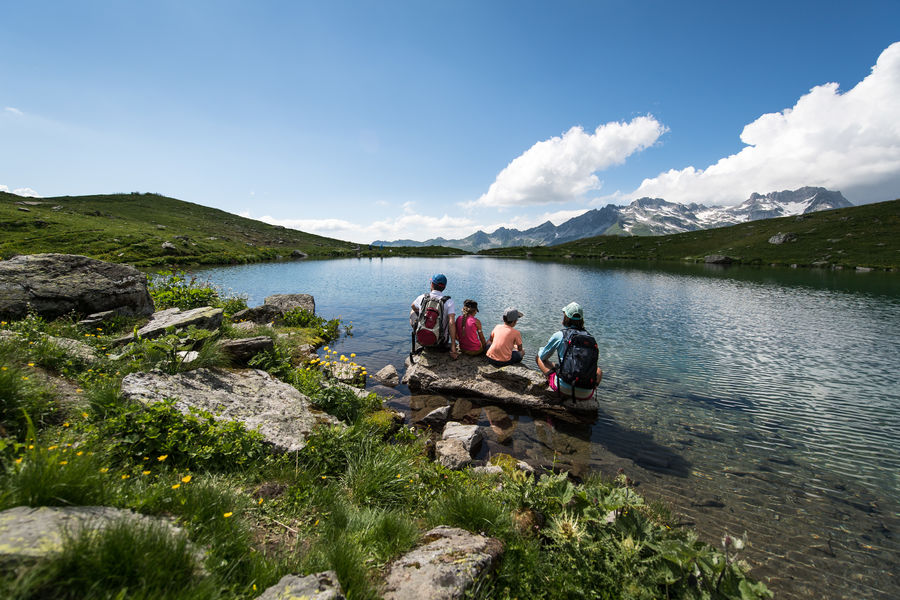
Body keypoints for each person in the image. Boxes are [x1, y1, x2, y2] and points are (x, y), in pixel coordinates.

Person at [536, 302, 603, 400]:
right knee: (599, 371)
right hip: (586, 394)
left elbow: (543, 356)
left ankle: (552, 381)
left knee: (539, 357)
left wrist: (541, 349)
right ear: (582, 320)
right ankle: (587, 390)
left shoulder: (560, 335)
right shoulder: (590, 338)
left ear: (566, 317)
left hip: (564, 388)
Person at [410, 273, 458, 358]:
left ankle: (419, 333)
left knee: (412, 312)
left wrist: (421, 312)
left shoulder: (422, 297)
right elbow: (451, 323)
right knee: (450, 319)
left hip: (423, 340)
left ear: (432, 284)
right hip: (441, 342)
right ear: (444, 287)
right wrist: (453, 346)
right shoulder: (449, 302)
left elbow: (413, 306)